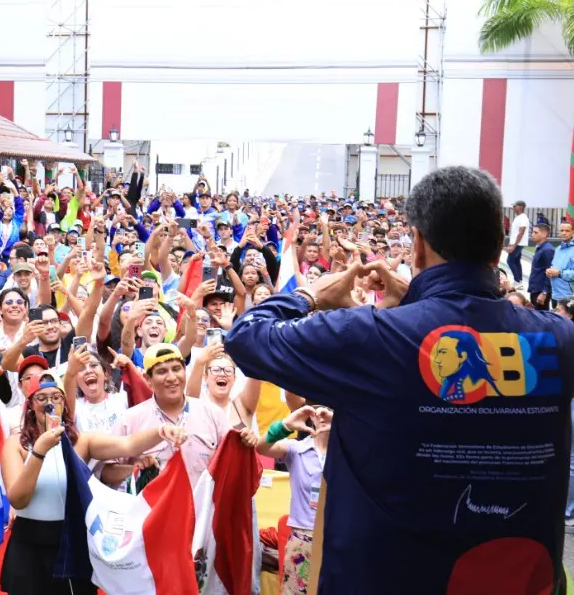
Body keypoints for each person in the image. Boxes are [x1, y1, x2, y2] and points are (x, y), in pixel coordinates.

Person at [227, 166, 574, 594]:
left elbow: (245, 337)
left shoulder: (372, 335)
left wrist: (309, 294)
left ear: (418, 244)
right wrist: (415, 301)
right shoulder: (556, 340)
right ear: (500, 245)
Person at [0, 370, 186, 595]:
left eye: (56, 397)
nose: (50, 403)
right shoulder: (16, 445)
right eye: (42, 398)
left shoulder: (81, 441)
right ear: (30, 405)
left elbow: (128, 445)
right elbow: (18, 499)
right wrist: (39, 451)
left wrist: (160, 431)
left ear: (64, 404)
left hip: (71, 540)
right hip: (30, 547)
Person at [255, 405, 330, 595]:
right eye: (318, 410)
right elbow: (261, 446)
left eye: (330, 409)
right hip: (302, 538)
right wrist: (286, 425)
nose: (323, 415)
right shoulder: (298, 450)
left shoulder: (347, 453)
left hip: (335, 537)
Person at [546, 220, 574, 306]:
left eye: (567, 231)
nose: (564, 233)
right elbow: (555, 267)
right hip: (555, 295)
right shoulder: (558, 249)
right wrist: (550, 272)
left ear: (573, 232)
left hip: (569, 297)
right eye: (562, 230)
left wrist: (559, 273)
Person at [528, 223, 554, 311]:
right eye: (532, 232)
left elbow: (550, 272)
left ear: (544, 234)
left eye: (535, 232)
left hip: (541, 291)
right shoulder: (541, 248)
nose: (532, 235)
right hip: (535, 288)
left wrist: (544, 292)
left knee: (541, 318)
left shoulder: (548, 250)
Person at [506, 199, 530, 286]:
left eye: (514, 206)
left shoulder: (523, 218)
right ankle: (519, 280)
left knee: (510, 261)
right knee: (516, 261)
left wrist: (514, 245)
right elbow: (515, 232)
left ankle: (517, 281)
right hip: (517, 243)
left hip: (519, 243)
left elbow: (521, 232)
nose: (513, 208)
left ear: (520, 207)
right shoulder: (518, 217)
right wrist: (510, 243)